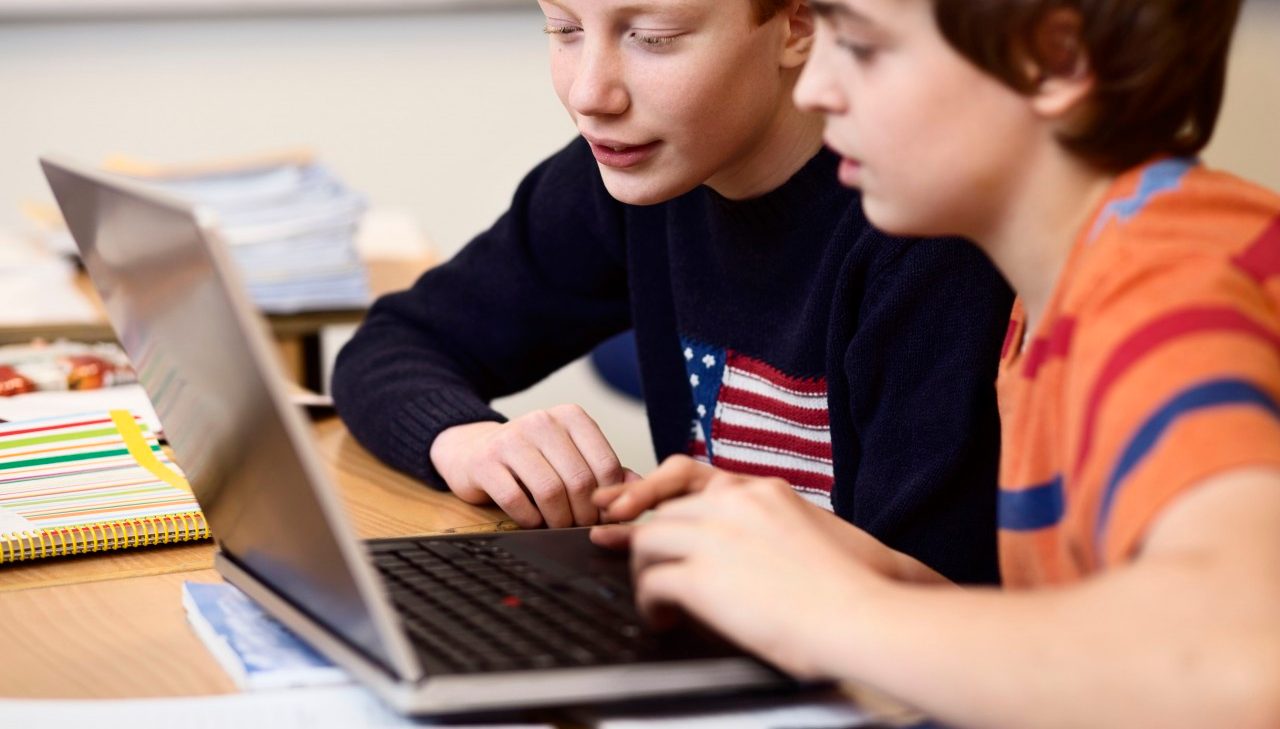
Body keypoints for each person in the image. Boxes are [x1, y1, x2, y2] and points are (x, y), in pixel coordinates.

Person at [593, 1, 1280, 726]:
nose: (813, 89)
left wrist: (836, 610)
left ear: (1057, 61)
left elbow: (1242, 666)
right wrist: (857, 569)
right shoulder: (1054, 299)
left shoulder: (1170, 289)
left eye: (859, 44)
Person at [333, 0, 1013, 583]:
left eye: (653, 38)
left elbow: (934, 596)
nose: (590, 94)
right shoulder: (634, 173)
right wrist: (464, 439)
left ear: (798, 24)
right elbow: (394, 343)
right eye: (563, 29)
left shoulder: (921, 232)